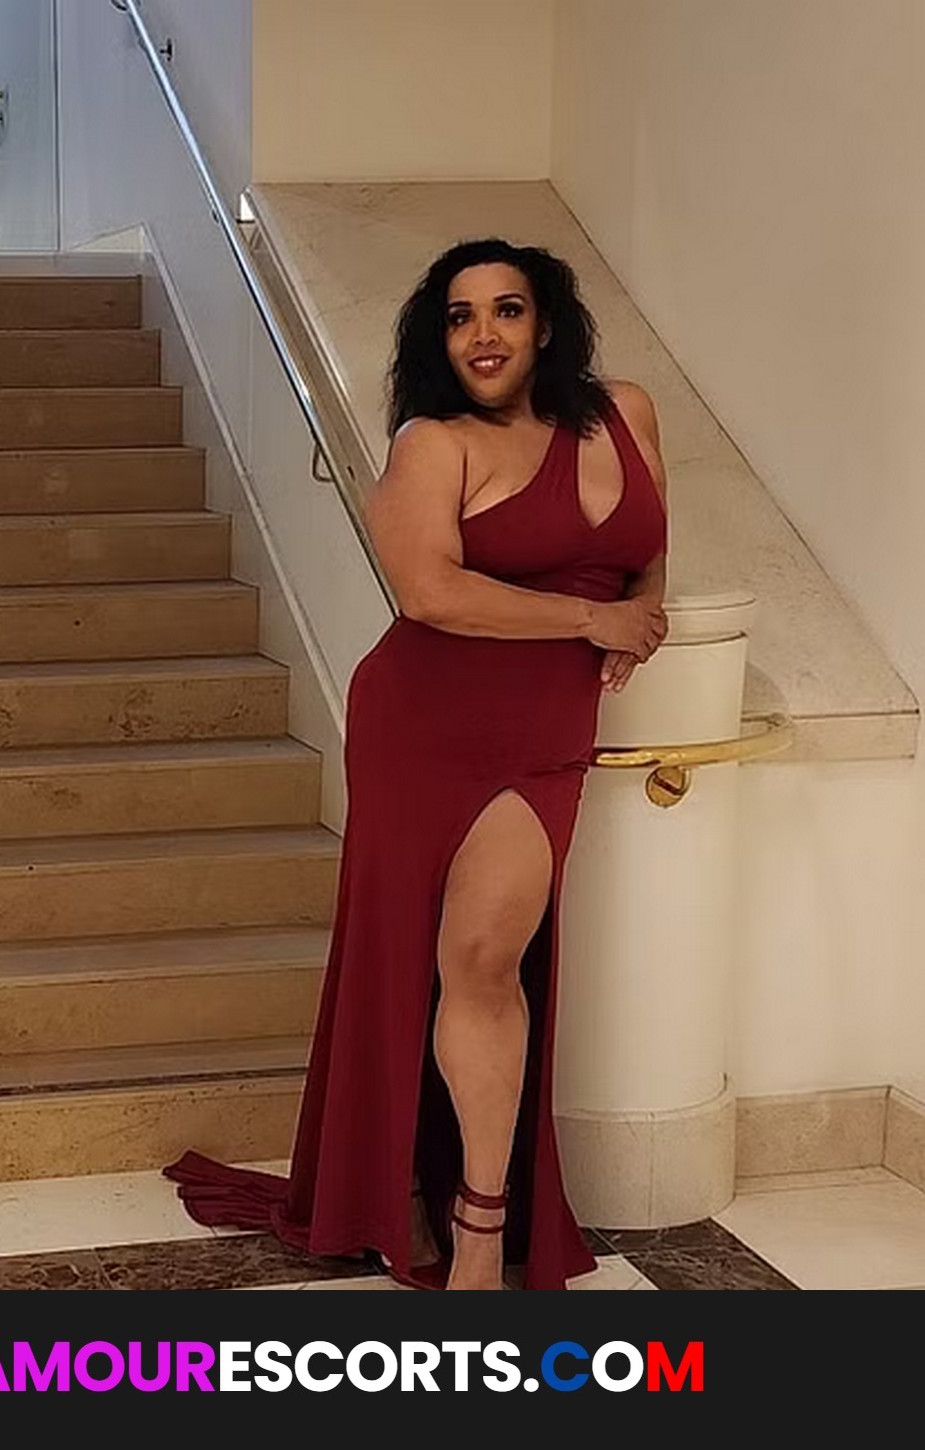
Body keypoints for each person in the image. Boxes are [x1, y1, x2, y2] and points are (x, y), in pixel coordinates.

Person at [165, 236, 669, 1290]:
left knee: (485, 958)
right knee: (432, 961)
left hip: (546, 734)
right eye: (459, 316)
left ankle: (475, 1216)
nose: (483, 334)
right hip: (426, 722)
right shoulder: (433, 443)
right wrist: (594, 619)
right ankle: (431, 1208)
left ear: (546, 324)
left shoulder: (627, 410)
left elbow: (646, 540)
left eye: (506, 310)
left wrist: (642, 613)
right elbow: (430, 594)